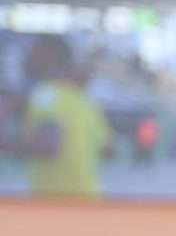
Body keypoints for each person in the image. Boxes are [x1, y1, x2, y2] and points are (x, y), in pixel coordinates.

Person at [0, 36, 112, 200]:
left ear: (48, 56)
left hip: (57, 205)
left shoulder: (46, 94)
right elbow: (108, 149)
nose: (25, 57)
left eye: (32, 50)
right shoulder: (83, 99)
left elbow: (48, 144)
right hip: (91, 200)